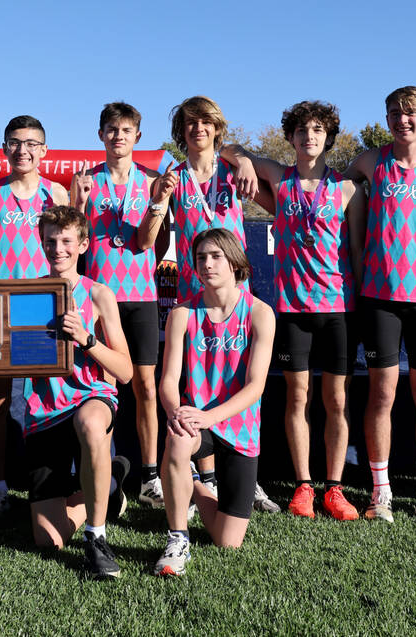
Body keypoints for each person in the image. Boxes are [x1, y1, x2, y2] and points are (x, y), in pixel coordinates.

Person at [0, 205, 133, 577]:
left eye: (66, 240)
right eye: (50, 240)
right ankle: (108, 490)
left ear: (83, 244)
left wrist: (87, 338)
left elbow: (125, 372)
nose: (58, 248)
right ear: (41, 243)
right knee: (48, 540)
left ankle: (96, 538)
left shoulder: (99, 295)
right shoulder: (27, 293)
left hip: (91, 397)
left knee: (92, 423)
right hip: (45, 410)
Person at [222, 101, 364, 520]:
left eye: (318, 130)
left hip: (339, 307)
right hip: (293, 307)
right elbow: (227, 147)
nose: (309, 137)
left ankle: (334, 487)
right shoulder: (280, 179)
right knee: (297, 397)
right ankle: (304, 485)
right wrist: (246, 162)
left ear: (328, 137)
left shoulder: (346, 189)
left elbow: (356, 250)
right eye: (301, 130)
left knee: (336, 400)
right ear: (291, 138)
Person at [141, 95, 278, 512]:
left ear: (217, 128)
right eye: (189, 123)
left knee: (238, 377)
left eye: (205, 122)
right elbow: (153, 241)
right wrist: (159, 201)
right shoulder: (171, 177)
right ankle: (208, 477)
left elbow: (277, 209)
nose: (197, 129)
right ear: (180, 131)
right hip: (190, 295)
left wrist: (245, 158)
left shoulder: (236, 170)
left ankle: (242, 473)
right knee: (196, 383)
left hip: (235, 294)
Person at [344, 86, 416, 525]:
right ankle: (381, 492)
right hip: (379, 296)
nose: (402, 119)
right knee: (382, 394)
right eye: (394, 112)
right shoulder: (369, 163)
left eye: (411, 113)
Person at [0, 116, 71, 519]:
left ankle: (50, 481)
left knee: (49, 395)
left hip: (42, 302)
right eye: (14, 142)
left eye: (31, 143)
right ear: (4, 148)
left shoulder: (55, 192)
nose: (22, 150)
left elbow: (71, 246)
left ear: (43, 150)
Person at [153, 228, 275, 577]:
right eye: (201, 257)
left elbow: (255, 387)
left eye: (215, 256)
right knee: (177, 441)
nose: (206, 264)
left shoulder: (259, 313)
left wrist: (209, 417)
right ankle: (177, 539)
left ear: (235, 262)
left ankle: (188, 486)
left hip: (238, 426)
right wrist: (177, 413)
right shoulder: (182, 313)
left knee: (227, 541)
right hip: (197, 422)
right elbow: (168, 382)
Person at [70, 102, 168, 508]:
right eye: (111, 129)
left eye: (126, 130)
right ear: (101, 135)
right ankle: (105, 475)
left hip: (140, 297)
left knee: (145, 386)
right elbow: (75, 238)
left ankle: (148, 476)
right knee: (103, 385)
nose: (119, 136)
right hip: (98, 296)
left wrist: (157, 204)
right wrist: (79, 203)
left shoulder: (151, 181)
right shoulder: (86, 180)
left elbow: (145, 242)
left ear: (138, 137)